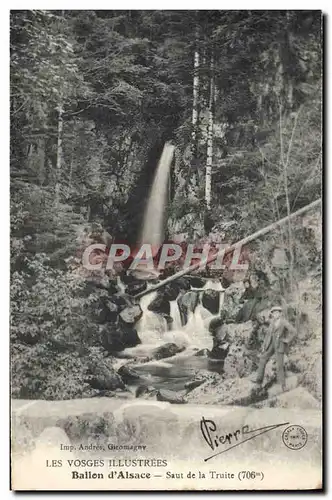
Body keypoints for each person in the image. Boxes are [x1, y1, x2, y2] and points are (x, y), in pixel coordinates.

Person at [250, 306, 296, 391]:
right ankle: (258, 382)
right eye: (273, 313)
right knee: (262, 359)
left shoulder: (284, 322)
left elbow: (293, 331)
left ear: (280, 313)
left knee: (280, 365)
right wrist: (264, 346)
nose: (275, 314)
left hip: (279, 345)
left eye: (277, 312)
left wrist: (287, 340)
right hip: (271, 344)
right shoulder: (272, 322)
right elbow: (268, 336)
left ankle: (283, 386)